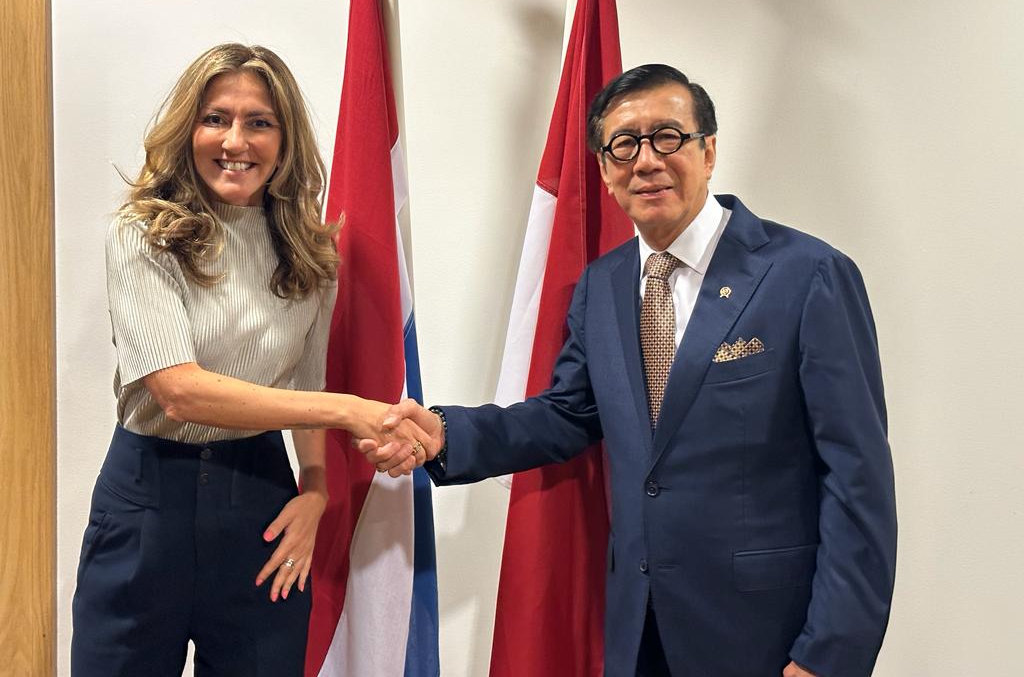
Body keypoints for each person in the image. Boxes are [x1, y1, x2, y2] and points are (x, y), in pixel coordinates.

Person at [364, 65, 898, 677]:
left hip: (765, 635)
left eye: (667, 136)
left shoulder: (807, 275)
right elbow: (569, 414)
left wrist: (829, 655)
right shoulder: (604, 284)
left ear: (709, 151)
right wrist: (447, 433)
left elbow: (857, 479)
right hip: (638, 629)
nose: (646, 161)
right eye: (624, 145)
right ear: (604, 169)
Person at [71, 43, 431, 677]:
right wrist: (350, 411)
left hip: (261, 503)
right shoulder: (142, 232)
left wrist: (315, 489)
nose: (235, 141)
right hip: (147, 500)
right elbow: (179, 392)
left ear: (284, 142)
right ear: (189, 130)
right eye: (216, 118)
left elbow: (306, 388)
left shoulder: (311, 253)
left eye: (258, 122)